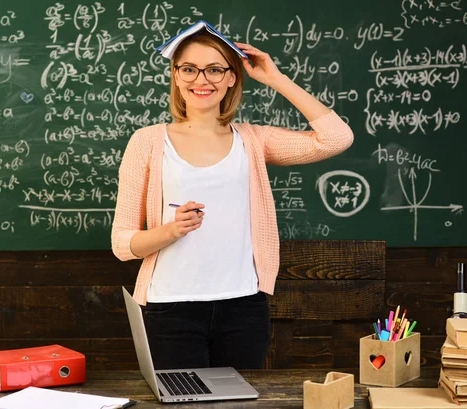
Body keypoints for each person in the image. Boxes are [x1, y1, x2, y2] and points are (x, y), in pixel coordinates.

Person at [111, 28, 353, 370]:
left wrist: (277, 79)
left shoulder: (253, 141)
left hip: (243, 306)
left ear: (230, 78)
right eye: (189, 68)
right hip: (170, 307)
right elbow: (122, 244)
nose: (201, 79)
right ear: (176, 76)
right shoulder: (147, 142)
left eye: (215, 69)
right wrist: (171, 230)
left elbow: (336, 139)